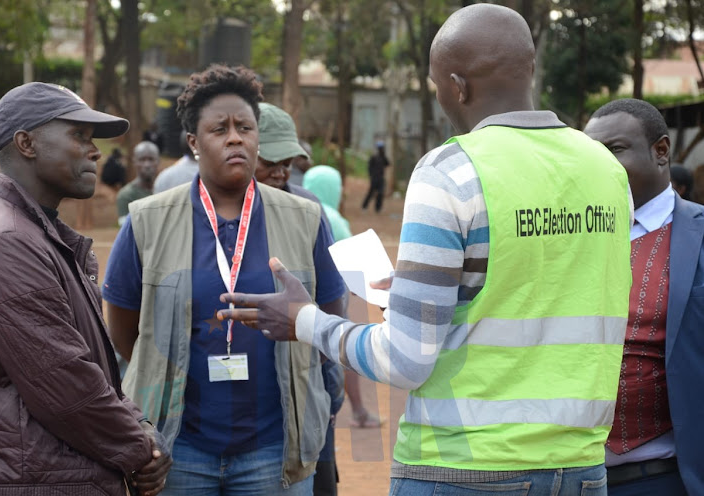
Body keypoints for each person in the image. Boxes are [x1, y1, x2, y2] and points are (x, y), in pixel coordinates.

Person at [220, 4, 633, 494]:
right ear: (530, 69)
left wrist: (303, 320)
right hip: (582, 468)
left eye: (438, 86)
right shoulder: (606, 171)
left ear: (458, 86)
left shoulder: (451, 171)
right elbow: (543, 286)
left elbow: (403, 361)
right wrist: (438, 290)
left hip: (463, 465)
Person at [102, 64, 347, 495]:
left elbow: (330, 321)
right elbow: (124, 329)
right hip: (179, 450)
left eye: (245, 127)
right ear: (194, 142)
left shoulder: (305, 219)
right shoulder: (148, 221)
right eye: (220, 129)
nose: (235, 137)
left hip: (274, 450)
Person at [0, 82, 171, 495]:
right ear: (27, 143)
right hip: (31, 480)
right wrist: (142, 447)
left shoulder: (35, 234)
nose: (95, 151)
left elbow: (85, 363)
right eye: (79, 136)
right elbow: (65, 383)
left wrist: (138, 424)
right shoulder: (9, 242)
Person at [584, 98, 704, 496]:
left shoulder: (700, 238)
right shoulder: (567, 239)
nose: (600, 164)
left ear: (661, 152)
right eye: (591, 154)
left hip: (664, 477)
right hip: (568, 476)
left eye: (614, 150)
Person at [254, 102, 346, 496]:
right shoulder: (209, 212)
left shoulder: (308, 209)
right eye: (270, 160)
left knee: (317, 479)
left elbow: (332, 302)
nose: (281, 170)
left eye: (288, 161)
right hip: (240, 395)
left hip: (307, 383)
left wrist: (325, 381)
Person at [303, 164, 381, 429]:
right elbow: (355, 264)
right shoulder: (333, 218)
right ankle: (358, 410)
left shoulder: (297, 208)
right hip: (331, 298)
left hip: (301, 300)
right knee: (345, 352)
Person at [116, 141, 159, 226]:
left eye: (151, 159)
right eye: (142, 160)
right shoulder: (126, 195)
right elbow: (126, 228)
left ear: (158, 161)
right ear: (134, 162)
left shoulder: (164, 189)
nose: (147, 165)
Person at [362, 141, 389, 212]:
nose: (381, 150)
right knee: (371, 193)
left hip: (381, 178)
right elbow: (369, 168)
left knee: (380, 193)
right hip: (374, 178)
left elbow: (387, 164)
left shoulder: (383, 157)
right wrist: (371, 176)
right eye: (380, 148)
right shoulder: (373, 157)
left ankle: (378, 208)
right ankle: (364, 206)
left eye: (382, 148)